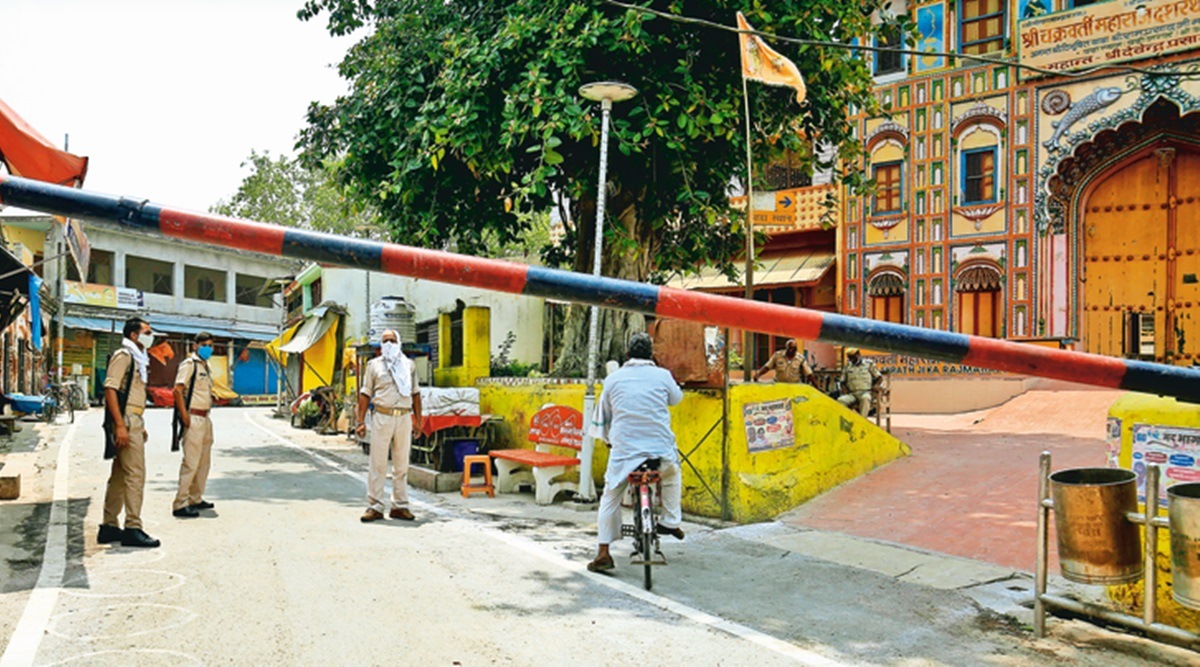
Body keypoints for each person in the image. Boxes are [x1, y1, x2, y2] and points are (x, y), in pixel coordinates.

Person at [588, 332, 685, 573]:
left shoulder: (614, 379)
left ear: (628, 354)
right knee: (672, 475)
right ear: (651, 354)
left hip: (625, 452)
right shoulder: (663, 375)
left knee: (610, 496)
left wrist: (608, 439)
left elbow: (604, 414)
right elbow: (676, 399)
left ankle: (603, 552)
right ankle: (670, 521)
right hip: (659, 451)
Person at [98, 317, 160, 548]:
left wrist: (139, 424)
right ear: (134, 335)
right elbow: (110, 388)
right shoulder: (124, 355)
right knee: (135, 474)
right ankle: (133, 526)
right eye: (147, 332)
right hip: (126, 420)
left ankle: (109, 526)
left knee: (120, 475)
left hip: (133, 419)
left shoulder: (138, 358)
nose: (151, 336)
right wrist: (121, 425)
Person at [356, 328, 423, 522]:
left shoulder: (408, 365)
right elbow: (365, 393)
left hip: (403, 417)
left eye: (392, 340)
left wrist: (418, 421)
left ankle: (399, 506)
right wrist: (360, 422)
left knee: (401, 464)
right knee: (378, 463)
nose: (388, 344)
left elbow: (415, 393)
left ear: (398, 342)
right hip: (382, 417)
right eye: (385, 341)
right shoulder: (374, 365)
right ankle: (375, 506)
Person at [172, 332, 216, 519]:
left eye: (210, 345)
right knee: (191, 462)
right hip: (194, 417)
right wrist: (185, 417)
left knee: (204, 462)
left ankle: (195, 498)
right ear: (195, 345)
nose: (208, 348)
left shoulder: (205, 366)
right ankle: (180, 503)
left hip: (205, 418)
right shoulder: (189, 364)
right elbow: (177, 390)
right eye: (204, 345)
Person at [837, 347, 882, 418]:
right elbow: (842, 381)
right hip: (852, 393)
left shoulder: (868, 364)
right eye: (849, 357)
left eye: (852, 357)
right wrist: (844, 389)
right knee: (841, 400)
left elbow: (879, 377)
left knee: (865, 398)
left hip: (865, 392)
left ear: (858, 354)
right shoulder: (848, 366)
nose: (851, 359)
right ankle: (845, 420)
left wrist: (876, 385)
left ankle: (862, 420)